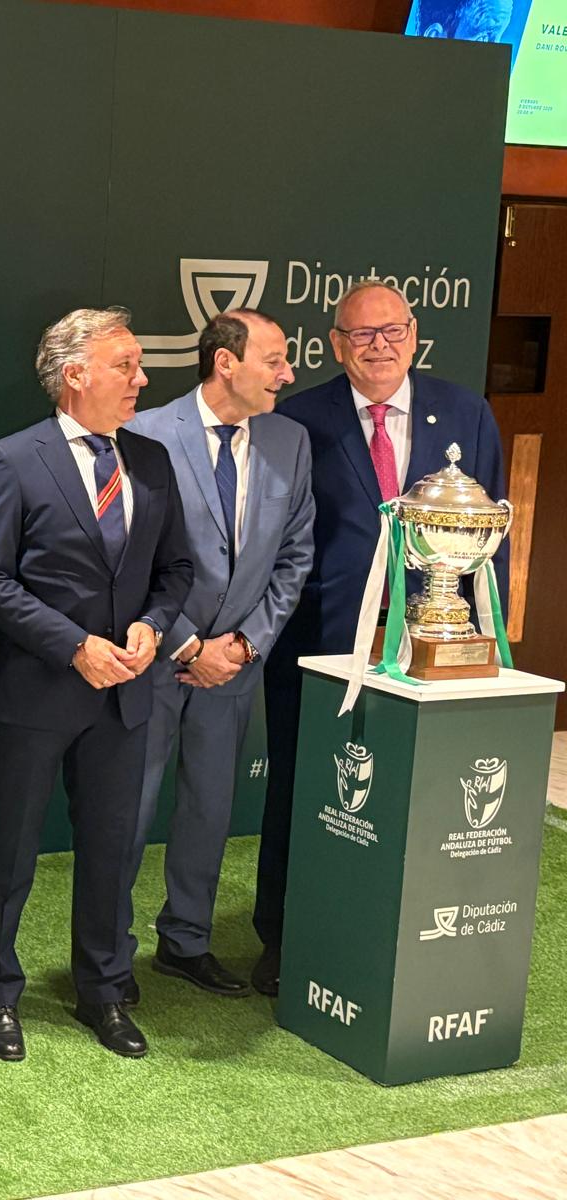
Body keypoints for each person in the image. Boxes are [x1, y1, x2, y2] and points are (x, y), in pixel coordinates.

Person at [254, 279, 507, 996]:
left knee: (412, 795)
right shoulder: (297, 419)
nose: (380, 347)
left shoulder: (465, 412)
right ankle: (280, 937)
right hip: (322, 642)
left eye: (392, 331)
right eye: (362, 335)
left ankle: (394, 934)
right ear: (336, 344)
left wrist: (490, 635)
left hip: (434, 642)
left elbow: (491, 538)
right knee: (303, 792)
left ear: (415, 332)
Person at [0, 306, 192, 1061]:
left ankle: (104, 989)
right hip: (34, 691)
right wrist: (74, 647)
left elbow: (177, 570)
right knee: (12, 850)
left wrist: (153, 626)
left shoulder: (151, 461)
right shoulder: (11, 459)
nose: (141, 377)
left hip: (126, 691)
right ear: (75, 375)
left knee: (111, 848)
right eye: (125, 364)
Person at [123, 310, 314, 1000]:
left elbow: (295, 555)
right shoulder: (147, 434)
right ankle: (110, 954)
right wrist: (186, 645)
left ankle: (187, 942)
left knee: (209, 807)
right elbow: (129, 557)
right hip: (155, 659)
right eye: (275, 359)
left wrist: (246, 642)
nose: (288, 373)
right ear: (225, 363)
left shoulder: (290, 441)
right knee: (131, 806)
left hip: (236, 665)